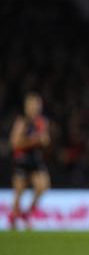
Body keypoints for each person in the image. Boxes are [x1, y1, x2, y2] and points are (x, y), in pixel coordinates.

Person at [9, 92, 51, 229]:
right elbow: (15, 143)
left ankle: (27, 214)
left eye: (38, 105)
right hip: (22, 159)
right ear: (27, 107)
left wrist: (44, 142)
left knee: (43, 186)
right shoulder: (22, 122)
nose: (36, 108)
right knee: (19, 191)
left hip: (35, 159)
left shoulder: (42, 122)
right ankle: (14, 221)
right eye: (33, 105)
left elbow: (45, 140)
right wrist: (34, 141)